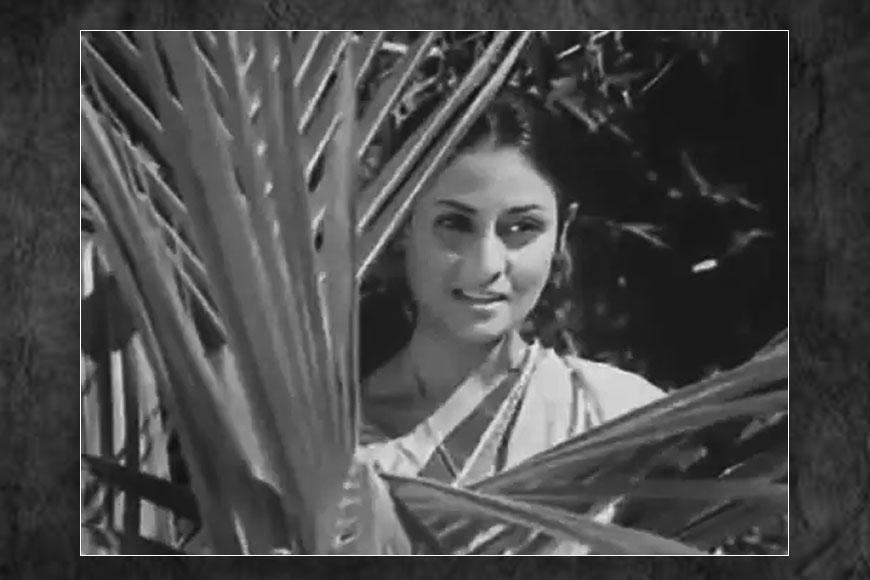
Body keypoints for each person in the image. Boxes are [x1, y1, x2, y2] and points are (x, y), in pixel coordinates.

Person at [353, 91, 667, 551]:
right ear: (402, 224)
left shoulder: (619, 419)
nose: (486, 265)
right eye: (454, 224)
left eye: (521, 228)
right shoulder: (331, 448)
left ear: (562, 231)